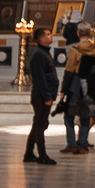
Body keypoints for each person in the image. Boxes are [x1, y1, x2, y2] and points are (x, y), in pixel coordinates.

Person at [25, 26, 60, 164]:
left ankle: (28, 153)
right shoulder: (39, 54)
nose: (51, 36)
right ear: (40, 38)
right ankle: (42, 155)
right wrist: (47, 96)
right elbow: (40, 78)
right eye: (47, 34)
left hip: (45, 94)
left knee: (38, 124)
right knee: (40, 125)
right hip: (41, 95)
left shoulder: (44, 53)